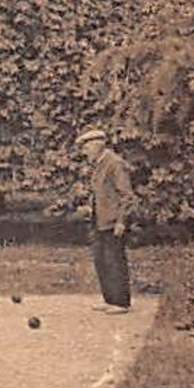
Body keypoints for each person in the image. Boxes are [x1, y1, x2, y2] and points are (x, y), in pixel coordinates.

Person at [77, 128, 135, 313]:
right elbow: (101, 193)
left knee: (114, 260)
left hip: (112, 222)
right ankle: (110, 299)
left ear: (97, 146)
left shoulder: (114, 163)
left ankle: (121, 302)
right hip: (99, 221)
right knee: (101, 260)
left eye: (85, 147)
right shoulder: (100, 164)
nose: (84, 152)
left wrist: (121, 221)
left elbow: (127, 196)